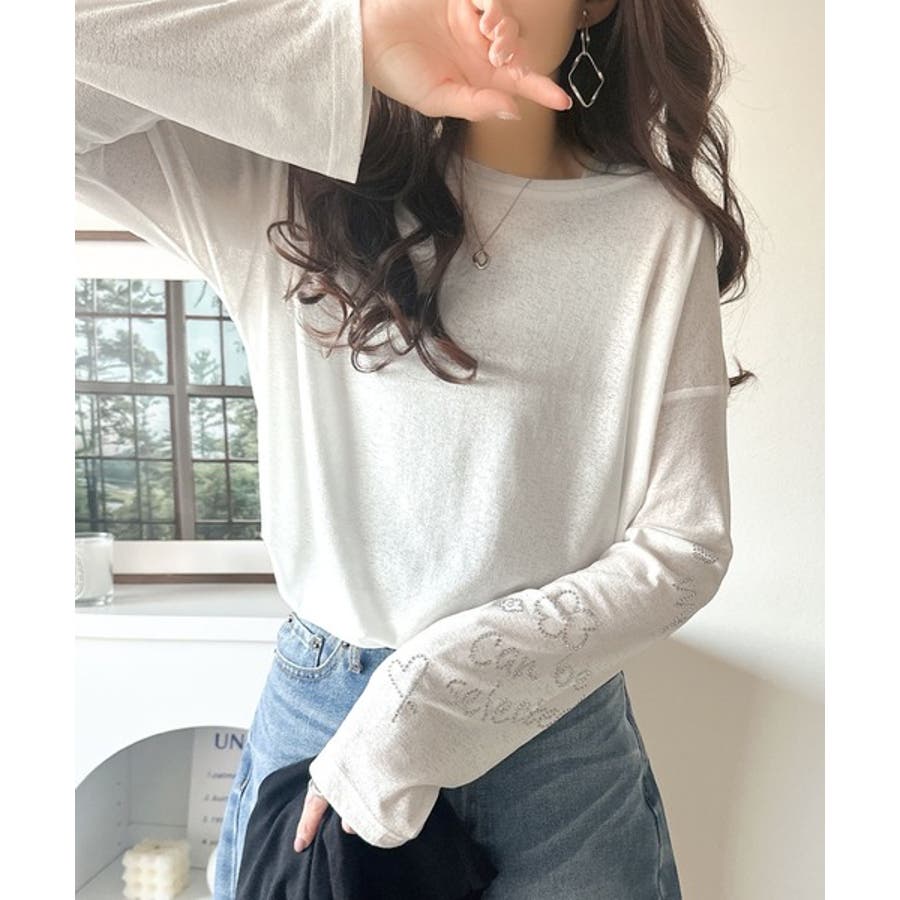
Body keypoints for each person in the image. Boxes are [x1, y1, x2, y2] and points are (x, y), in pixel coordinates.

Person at [75, 1, 754, 897]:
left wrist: (425, 696)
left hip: (556, 751)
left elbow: (683, 546)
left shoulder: (654, 232)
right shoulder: (280, 189)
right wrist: (350, 41)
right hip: (322, 725)